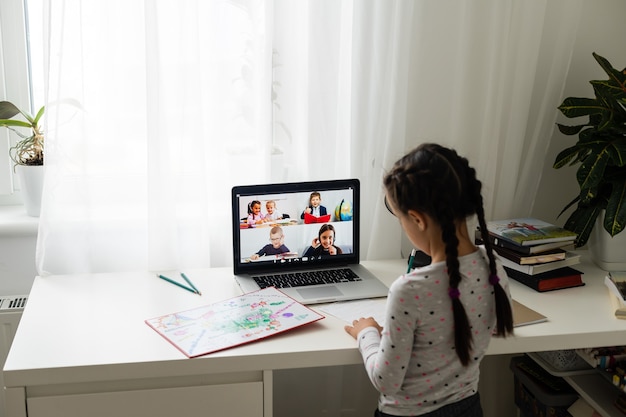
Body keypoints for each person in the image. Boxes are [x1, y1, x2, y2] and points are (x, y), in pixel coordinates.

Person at [344, 143, 514, 417]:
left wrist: (367, 333)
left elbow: (386, 380)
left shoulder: (410, 290)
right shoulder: (493, 266)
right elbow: (490, 328)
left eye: (401, 220)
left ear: (417, 220)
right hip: (468, 409)